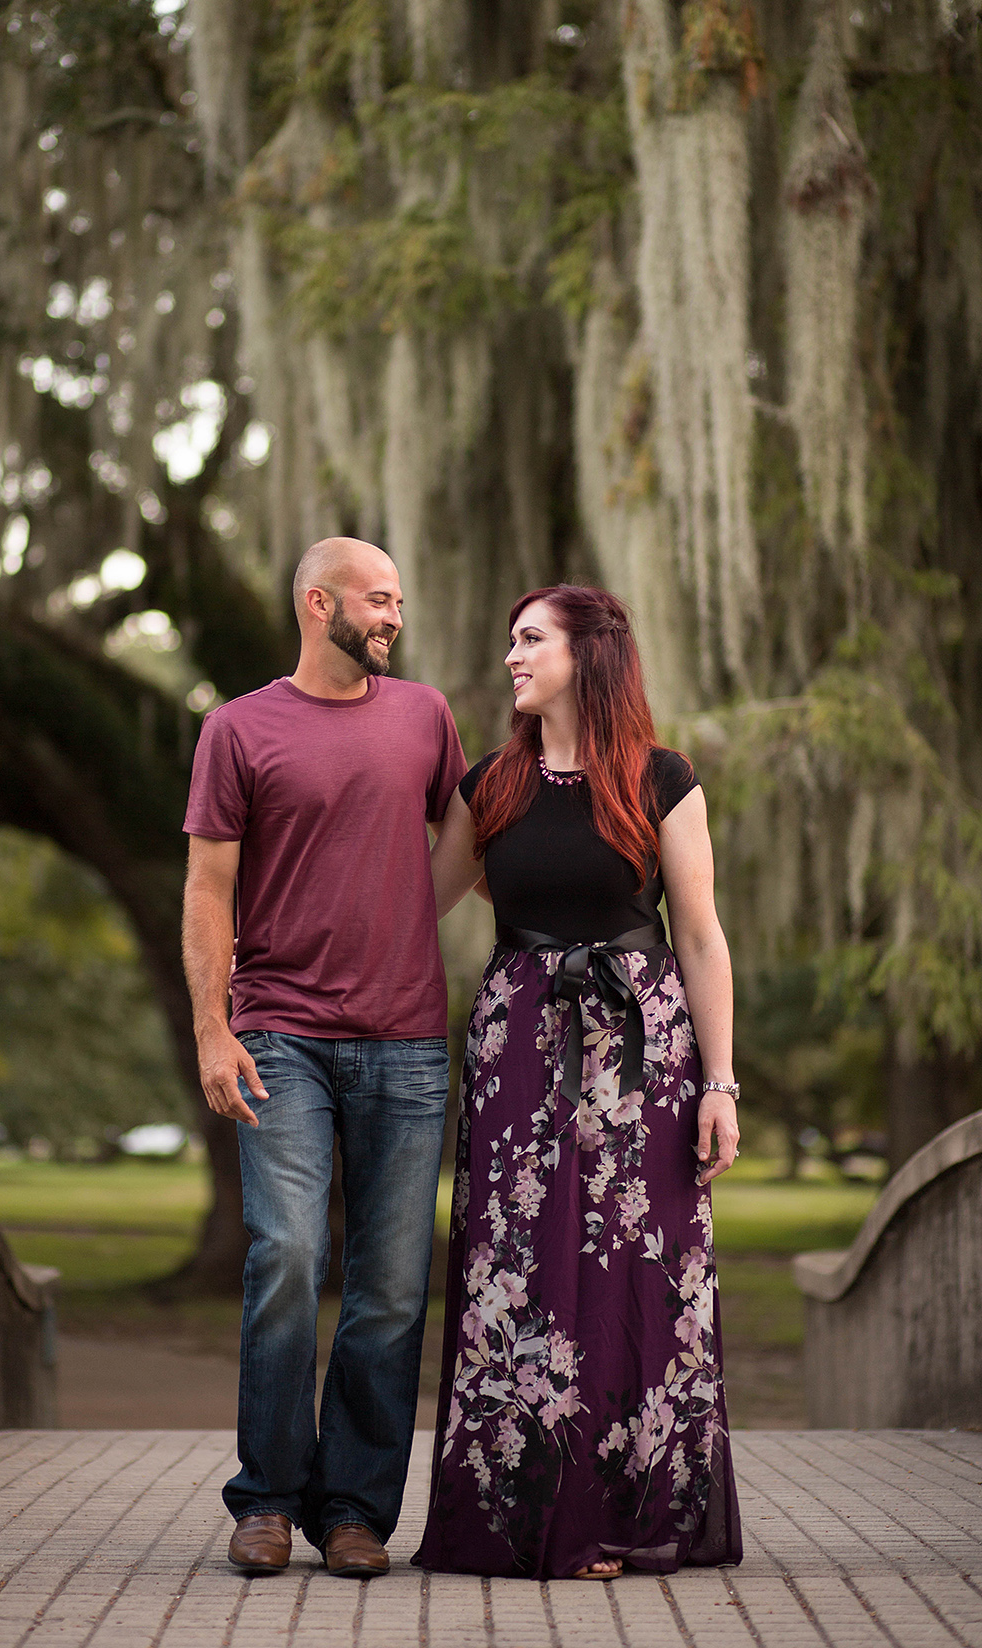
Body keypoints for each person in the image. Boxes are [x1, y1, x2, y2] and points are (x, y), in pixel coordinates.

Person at [415, 584, 743, 1581]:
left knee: (637, 1269)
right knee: (515, 1268)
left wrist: (722, 1082)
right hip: (518, 1042)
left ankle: (623, 1512)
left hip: (642, 1042)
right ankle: (528, 1509)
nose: (511, 656)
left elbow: (698, 932)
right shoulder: (492, 785)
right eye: (511, 638)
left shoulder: (661, 777)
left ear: (588, 653)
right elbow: (418, 904)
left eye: (529, 639)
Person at [183, 537, 466, 1580]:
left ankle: (352, 1510)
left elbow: (475, 840)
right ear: (319, 603)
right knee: (290, 1258)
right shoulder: (237, 729)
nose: (393, 616)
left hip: (405, 1038)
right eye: (378, 599)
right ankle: (264, 1499)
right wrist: (214, 1028)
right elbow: (208, 890)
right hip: (280, 1033)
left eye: (397, 599)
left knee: (391, 1287)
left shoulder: (427, 716)